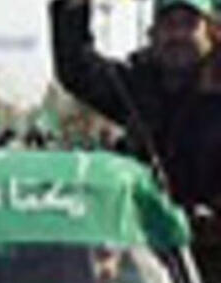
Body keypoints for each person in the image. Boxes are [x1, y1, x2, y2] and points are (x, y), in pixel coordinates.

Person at [51, 0, 221, 207]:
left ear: (211, 32)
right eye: (168, 25)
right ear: (153, 34)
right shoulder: (135, 88)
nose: (177, 35)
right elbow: (77, 68)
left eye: (189, 24)